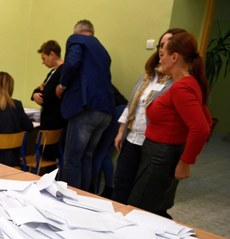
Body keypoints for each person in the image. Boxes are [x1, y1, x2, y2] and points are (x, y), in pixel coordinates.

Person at [127, 32, 212, 218]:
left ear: (174, 57)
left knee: (138, 210)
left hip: (161, 155)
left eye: (163, 54)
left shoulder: (182, 88)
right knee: (154, 208)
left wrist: (185, 162)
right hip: (162, 153)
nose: (160, 58)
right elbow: (207, 120)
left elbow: (202, 127)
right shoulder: (187, 83)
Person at [112, 28, 187, 204]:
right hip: (132, 139)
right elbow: (132, 104)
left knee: (141, 194)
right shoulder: (148, 76)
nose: (162, 49)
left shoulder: (177, 82)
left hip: (153, 145)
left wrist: (185, 161)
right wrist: (121, 130)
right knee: (121, 184)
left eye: (166, 46)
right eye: (161, 45)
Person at [56, 19, 115, 191]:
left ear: (77, 32)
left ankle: (69, 201)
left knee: (72, 159)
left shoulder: (77, 41)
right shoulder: (103, 51)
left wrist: (62, 85)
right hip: (105, 110)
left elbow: (72, 63)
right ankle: (84, 197)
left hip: (85, 108)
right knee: (87, 157)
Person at [91, 84, 128, 196]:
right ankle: (109, 187)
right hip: (123, 111)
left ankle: (93, 188)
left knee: (100, 152)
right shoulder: (102, 78)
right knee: (105, 153)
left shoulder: (90, 80)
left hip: (116, 112)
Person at [31, 40, 66, 131]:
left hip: (54, 121)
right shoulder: (52, 72)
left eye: (43, 58)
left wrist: (41, 93)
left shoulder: (62, 72)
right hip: (48, 121)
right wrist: (35, 94)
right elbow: (40, 88)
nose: (43, 62)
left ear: (52, 55)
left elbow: (49, 94)